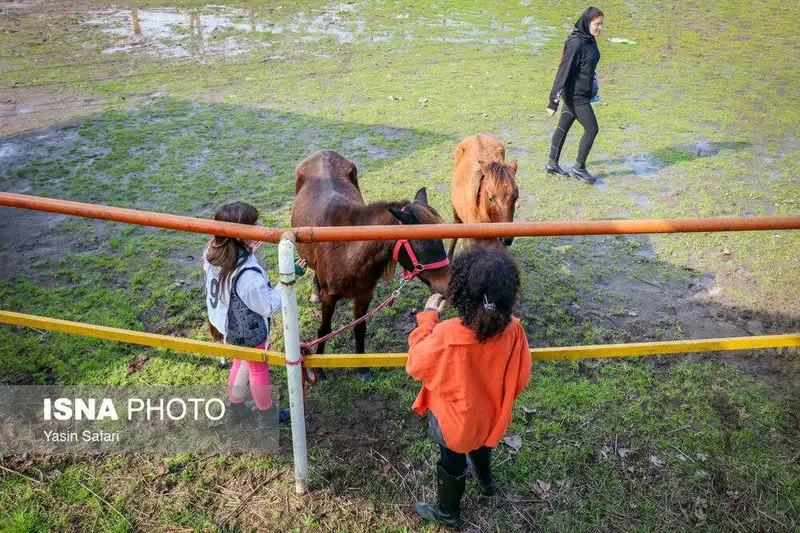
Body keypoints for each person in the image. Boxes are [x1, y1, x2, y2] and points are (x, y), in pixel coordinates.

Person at [406, 244, 531, 528]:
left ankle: (448, 512)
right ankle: (486, 483)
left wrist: (427, 319)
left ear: (458, 291)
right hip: (489, 417)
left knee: (452, 460)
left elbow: (416, 362)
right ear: (508, 293)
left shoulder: (446, 334)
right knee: (481, 443)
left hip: (454, 423)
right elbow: (520, 378)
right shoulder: (515, 329)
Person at [203, 201, 293, 425]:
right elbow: (266, 305)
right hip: (249, 331)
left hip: (228, 325)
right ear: (239, 235)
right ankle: (267, 415)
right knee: (259, 370)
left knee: (240, 362)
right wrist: (289, 280)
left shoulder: (212, 252)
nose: (261, 226)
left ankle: (236, 408)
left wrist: (249, 247)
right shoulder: (248, 275)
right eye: (254, 225)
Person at [545, 7, 605, 184]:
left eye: (602, 23)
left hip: (583, 94)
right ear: (587, 23)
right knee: (592, 129)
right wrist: (553, 101)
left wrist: (593, 88)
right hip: (576, 96)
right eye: (597, 24)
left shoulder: (590, 39)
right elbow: (563, 71)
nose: (600, 27)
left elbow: (588, 66)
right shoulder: (576, 42)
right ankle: (579, 168)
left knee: (563, 127)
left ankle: (551, 164)